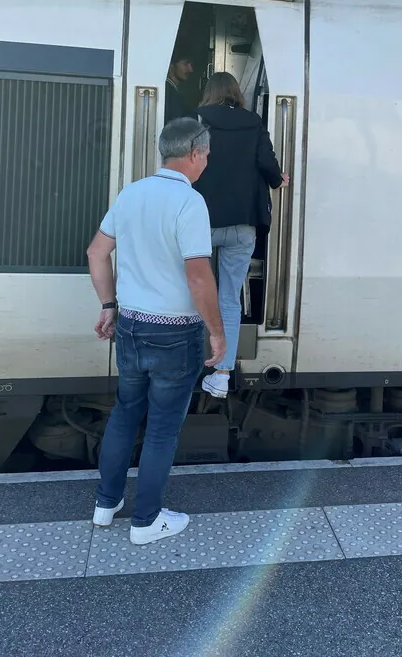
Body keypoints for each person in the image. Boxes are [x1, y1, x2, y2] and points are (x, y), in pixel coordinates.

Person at [86, 117, 226, 546]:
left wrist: (109, 305)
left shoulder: (132, 194)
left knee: (125, 415)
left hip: (130, 326)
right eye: (206, 155)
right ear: (196, 153)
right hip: (175, 335)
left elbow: (97, 252)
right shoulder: (190, 202)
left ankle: (105, 505)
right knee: (163, 428)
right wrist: (218, 334)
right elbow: (199, 278)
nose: (206, 162)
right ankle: (146, 521)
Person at [193, 72, 289, 400]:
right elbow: (268, 165)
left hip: (201, 224)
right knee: (229, 299)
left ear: (209, 92)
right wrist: (278, 180)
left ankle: (188, 364)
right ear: (236, 93)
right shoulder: (254, 122)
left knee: (193, 293)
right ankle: (222, 375)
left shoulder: (196, 121)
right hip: (242, 225)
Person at [165, 52, 195, 121]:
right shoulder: (168, 93)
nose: (191, 70)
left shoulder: (171, 90)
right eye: (185, 64)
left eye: (191, 65)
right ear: (171, 66)